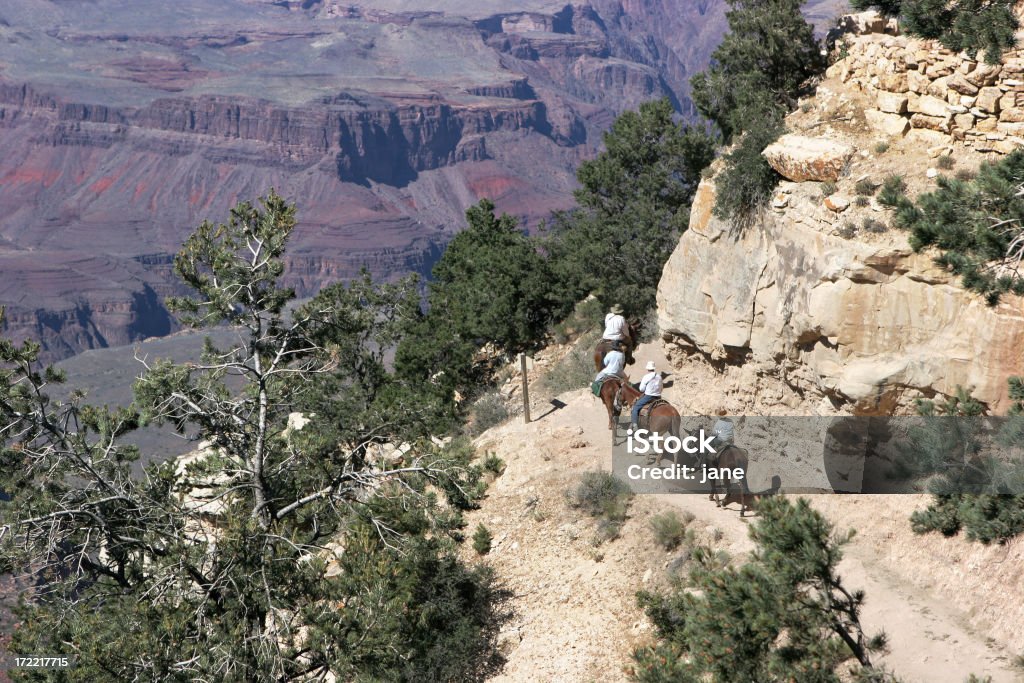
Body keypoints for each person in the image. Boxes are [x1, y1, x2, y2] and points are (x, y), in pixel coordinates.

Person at [631, 360, 662, 429]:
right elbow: (661, 388)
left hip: (649, 396)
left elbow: (641, 389)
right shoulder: (659, 376)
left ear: (647, 368)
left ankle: (635, 425)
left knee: (636, 407)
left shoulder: (646, 377)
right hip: (658, 397)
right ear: (654, 368)